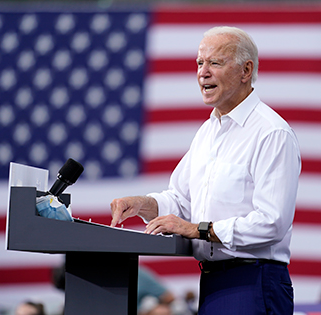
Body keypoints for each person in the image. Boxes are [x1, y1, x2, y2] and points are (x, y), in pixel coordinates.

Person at [110, 26, 301, 314]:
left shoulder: (271, 133)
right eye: (200, 63)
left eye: (215, 63)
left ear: (245, 71)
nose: (203, 72)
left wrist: (199, 230)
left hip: (254, 282)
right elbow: (180, 201)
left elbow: (272, 222)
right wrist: (142, 204)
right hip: (212, 283)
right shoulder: (207, 133)